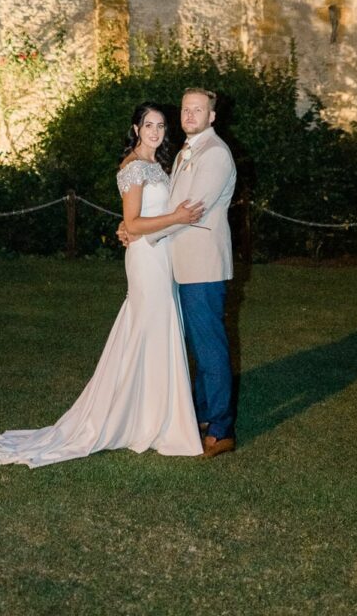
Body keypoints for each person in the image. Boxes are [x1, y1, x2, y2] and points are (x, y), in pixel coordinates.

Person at [0, 103, 205, 467]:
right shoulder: (133, 167)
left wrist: (161, 222)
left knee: (155, 331)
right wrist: (174, 217)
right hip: (146, 261)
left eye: (160, 125)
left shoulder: (159, 165)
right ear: (136, 129)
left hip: (163, 258)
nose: (156, 131)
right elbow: (135, 222)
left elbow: (141, 220)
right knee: (148, 328)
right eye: (148, 125)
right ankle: (136, 416)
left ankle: (153, 415)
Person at [118, 86, 237, 456]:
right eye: (185, 110)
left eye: (197, 110)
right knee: (198, 347)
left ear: (211, 116)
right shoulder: (186, 151)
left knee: (210, 347)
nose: (189, 116)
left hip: (201, 264)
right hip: (176, 263)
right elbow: (166, 205)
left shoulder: (214, 154)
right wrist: (132, 225)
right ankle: (201, 412)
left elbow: (190, 211)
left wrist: (138, 231)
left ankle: (220, 429)